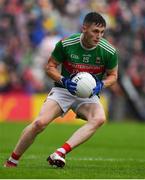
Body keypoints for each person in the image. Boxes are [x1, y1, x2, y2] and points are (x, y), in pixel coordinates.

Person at [4, 12, 118, 168]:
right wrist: (63, 80)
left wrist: (101, 85)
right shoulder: (66, 44)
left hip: (88, 94)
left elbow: (113, 76)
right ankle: (12, 161)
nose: (99, 36)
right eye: (95, 31)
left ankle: (60, 152)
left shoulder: (109, 51)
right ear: (84, 28)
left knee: (99, 119)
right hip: (63, 90)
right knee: (39, 123)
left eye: (102, 32)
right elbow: (50, 67)